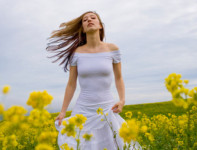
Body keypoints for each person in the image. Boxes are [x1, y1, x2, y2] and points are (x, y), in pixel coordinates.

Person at [46, 11, 142, 150]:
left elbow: (119, 77)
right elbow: (71, 84)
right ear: (83, 29)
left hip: (107, 108)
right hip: (82, 109)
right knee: (79, 144)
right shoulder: (76, 53)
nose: (89, 20)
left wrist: (122, 100)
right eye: (85, 20)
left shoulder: (112, 49)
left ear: (100, 26)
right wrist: (62, 111)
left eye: (93, 18)